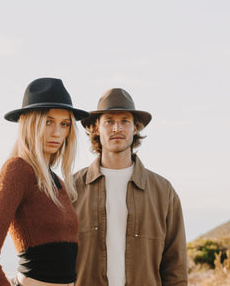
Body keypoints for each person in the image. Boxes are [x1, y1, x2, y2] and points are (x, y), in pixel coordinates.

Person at [0, 77, 89, 286]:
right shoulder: (17, 170)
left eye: (65, 124)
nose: (57, 133)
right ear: (30, 123)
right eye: (48, 121)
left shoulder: (57, 182)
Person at [73, 88, 188, 286]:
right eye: (109, 121)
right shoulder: (72, 189)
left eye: (125, 121)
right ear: (96, 128)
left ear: (135, 128)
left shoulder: (163, 191)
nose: (117, 128)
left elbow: (175, 268)